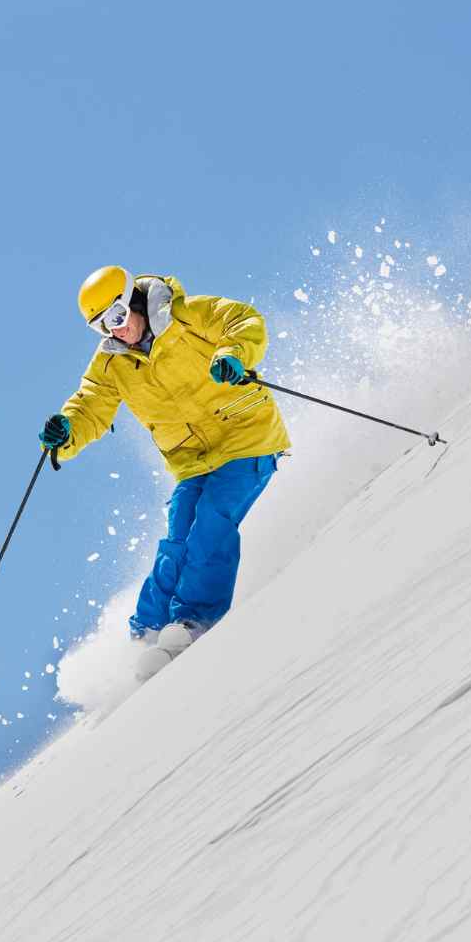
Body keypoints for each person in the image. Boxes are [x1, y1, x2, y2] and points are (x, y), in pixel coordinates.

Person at [39, 266, 290, 679]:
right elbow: (88, 406)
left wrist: (232, 354)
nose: (115, 331)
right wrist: (65, 431)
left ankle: (192, 621)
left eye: (117, 318)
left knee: (211, 523)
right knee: (178, 535)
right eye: (101, 326)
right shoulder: (112, 363)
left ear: (131, 302)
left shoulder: (188, 316)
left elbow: (243, 320)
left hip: (247, 438)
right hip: (192, 460)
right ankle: (147, 629)